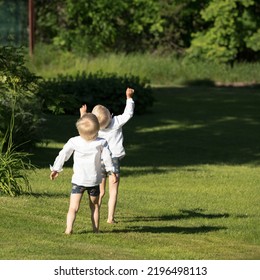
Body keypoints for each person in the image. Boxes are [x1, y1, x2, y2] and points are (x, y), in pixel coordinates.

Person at [50, 113, 117, 234]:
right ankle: (96, 230)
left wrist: (56, 169)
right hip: (94, 181)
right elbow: (108, 158)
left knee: (73, 207)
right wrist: (111, 172)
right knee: (95, 206)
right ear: (97, 129)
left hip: (78, 181)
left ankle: (69, 228)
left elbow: (63, 154)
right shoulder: (101, 142)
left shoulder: (74, 141)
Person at [80, 87, 135, 223]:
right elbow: (128, 113)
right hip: (114, 160)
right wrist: (129, 98)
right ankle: (110, 218)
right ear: (110, 115)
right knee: (113, 190)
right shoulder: (116, 122)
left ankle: (96, 212)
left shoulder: (95, 129)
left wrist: (83, 115)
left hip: (100, 161)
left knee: (101, 191)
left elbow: (84, 129)